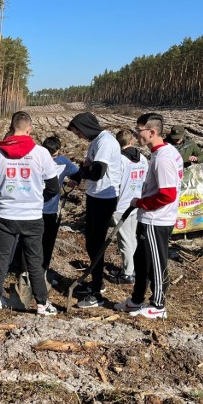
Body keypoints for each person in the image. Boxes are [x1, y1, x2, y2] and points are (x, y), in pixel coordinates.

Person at [0, 111, 60, 319]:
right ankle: (42, 304)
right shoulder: (41, 153)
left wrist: (3, 198)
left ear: (12, 127)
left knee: (1, 261)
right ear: (29, 128)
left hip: (5, 214)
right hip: (32, 215)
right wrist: (37, 199)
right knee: (35, 261)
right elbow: (53, 187)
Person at [115, 113, 183, 319]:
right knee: (141, 261)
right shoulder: (162, 152)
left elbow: (168, 195)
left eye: (139, 130)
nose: (136, 135)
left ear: (152, 132)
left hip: (157, 220)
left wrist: (141, 203)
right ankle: (136, 301)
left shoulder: (163, 158)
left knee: (156, 262)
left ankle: (158, 305)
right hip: (148, 217)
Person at [67, 112, 122, 309]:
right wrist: (81, 174)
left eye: (78, 132)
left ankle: (97, 293)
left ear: (85, 127)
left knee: (96, 244)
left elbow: (97, 172)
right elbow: (88, 167)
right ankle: (96, 282)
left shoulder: (105, 142)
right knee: (91, 242)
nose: (78, 136)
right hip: (94, 197)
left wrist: (85, 171)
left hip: (104, 199)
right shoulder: (96, 142)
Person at [108, 129, 149, 285]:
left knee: (125, 240)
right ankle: (133, 268)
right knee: (132, 237)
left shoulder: (118, 160)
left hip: (122, 206)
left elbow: (115, 184)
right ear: (132, 141)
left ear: (118, 143)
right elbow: (145, 181)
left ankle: (128, 274)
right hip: (137, 203)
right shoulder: (143, 159)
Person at [40, 136, 80, 283]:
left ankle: (43, 272)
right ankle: (26, 273)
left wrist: (75, 181)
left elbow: (77, 173)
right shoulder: (35, 159)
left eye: (54, 155)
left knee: (47, 244)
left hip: (50, 211)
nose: (51, 158)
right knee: (30, 244)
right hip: (32, 210)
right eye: (48, 154)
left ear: (59, 152)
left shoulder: (63, 162)